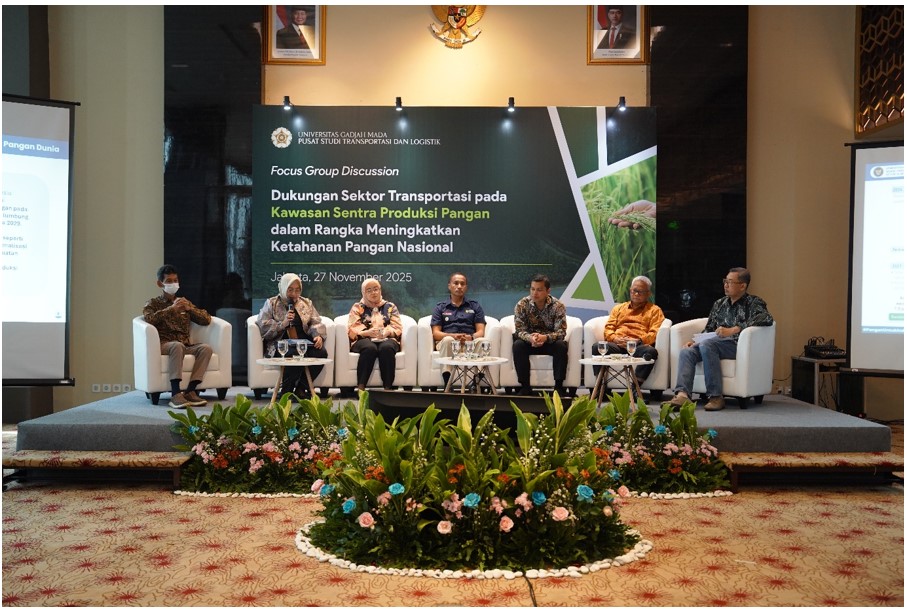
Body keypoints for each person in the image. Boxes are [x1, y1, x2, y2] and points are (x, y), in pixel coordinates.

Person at [668, 267, 774, 411]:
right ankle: (682, 395)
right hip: (712, 344)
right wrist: (695, 342)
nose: (725, 285)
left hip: (737, 345)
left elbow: (766, 318)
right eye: (725, 281)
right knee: (688, 351)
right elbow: (709, 328)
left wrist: (735, 329)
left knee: (708, 345)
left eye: (730, 282)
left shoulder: (754, 302)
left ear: (742, 286)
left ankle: (716, 396)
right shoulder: (719, 304)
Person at [143, 264, 213, 409]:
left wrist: (189, 309)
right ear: (160, 284)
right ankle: (175, 394)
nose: (173, 284)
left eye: (175, 280)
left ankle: (191, 391)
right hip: (164, 344)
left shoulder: (183, 302)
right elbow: (149, 320)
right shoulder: (153, 303)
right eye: (169, 281)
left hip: (185, 345)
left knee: (205, 348)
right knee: (176, 345)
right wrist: (171, 309)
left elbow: (206, 320)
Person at [256, 273, 327, 398]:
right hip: (281, 344)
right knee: (294, 354)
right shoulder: (272, 303)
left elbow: (315, 321)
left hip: (302, 342)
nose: (294, 294)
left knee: (321, 353)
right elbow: (263, 324)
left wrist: (317, 335)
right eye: (290, 290)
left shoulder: (306, 303)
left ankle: (301, 388)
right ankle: (286, 392)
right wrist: (282, 324)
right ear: (283, 288)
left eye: (297, 290)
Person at [592, 276, 663, 382]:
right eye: (634, 291)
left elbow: (654, 332)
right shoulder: (618, 308)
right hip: (618, 345)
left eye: (640, 292)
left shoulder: (654, 310)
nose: (636, 294)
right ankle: (600, 385)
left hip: (637, 346)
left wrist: (638, 341)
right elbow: (609, 328)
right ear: (630, 290)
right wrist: (615, 338)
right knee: (597, 346)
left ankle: (635, 386)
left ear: (648, 294)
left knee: (651, 352)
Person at [512, 274, 568, 396]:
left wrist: (545, 338)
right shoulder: (522, 305)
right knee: (518, 345)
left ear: (548, 291)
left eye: (539, 290)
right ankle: (525, 387)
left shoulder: (558, 306)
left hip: (549, 343)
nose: (535, 293)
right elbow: (519, 330)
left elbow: (561, 332)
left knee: (561, 346)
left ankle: (558, 387)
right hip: (530, 342)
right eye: (532, 289)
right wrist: (531, 338)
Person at [430, 272, 487, 387]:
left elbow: (481, 331)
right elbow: (435, 333)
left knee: (482, 341)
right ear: (449, 286)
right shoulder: (440, 307)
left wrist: (471, 338)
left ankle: (476, 382)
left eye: (462, 284)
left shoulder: (475, 306)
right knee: (448, 340)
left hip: (469, 343)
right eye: (456, 283)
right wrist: (454, 337)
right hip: (448, 343)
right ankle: (447, 382)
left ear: (466, 287)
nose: (459, 286)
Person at [347, 278, 403, 391]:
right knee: (370, 348)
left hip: (386, 338)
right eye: (369, 290)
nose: (373, 293)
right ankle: (361, 387)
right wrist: (367, 332)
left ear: (380, 290)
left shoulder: (390, 306)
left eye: (376, 289)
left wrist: (387, 332)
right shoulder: (357, 307)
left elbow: (397, 326)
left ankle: (388, 388)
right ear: (363, 292)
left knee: (386, 348)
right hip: (363, 339)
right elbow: (352, 327)